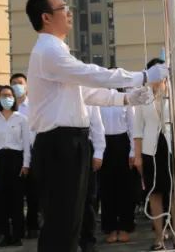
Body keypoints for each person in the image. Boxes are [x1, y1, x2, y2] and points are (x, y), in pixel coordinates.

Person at [24, 0, 165, 250]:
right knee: (62, 221)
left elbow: (88, 92)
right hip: (59, 144)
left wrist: (127, 99)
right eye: (62, 8)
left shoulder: (57, 50)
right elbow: (92, 75)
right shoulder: (48, 51)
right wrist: (142, 77)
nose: (69, 12)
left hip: (70, 142)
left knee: (71, 221)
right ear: (45, 17)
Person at [133, 58, 175, 251]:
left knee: (174, 192)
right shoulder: (143, 95)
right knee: (155, 193)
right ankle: (159, 236)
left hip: (171, 146)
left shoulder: (174, 94)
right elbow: (138, 129)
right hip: (151, 148)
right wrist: (138, 155)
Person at [0, 85, 31, 247]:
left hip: (16, 159)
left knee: (17, 200)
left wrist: (26, 164)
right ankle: (5, 234)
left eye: (9, 95)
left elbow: (26, 144)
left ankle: (17, 234)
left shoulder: (21, 119)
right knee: (1, 199)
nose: (7, 98)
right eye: (3, 95)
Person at [98, 98, 136, 243]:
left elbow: (133, 127)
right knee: (107, 188)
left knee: (125, 188)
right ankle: (111, 228)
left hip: (122, 144)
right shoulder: (99, 100)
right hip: (104, 144)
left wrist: (132, 151)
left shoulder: (126, 99)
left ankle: (126, 227)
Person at [9, 72, 40, 239]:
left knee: (33, 191)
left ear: (27, 85)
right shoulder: (8, 107)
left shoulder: (35, 105)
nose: (17, 86)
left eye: (20, 82)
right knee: (16, 193)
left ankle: (33, 223)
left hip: (34, 151)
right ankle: (18, 227)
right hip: (15, 153)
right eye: (13, 83)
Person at [79, 105, 105, 252]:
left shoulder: (87, 93)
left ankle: (87, 240)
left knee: (88, 198)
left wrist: (98, 152)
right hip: (59, 147)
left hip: (84, 145)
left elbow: (97, 126)